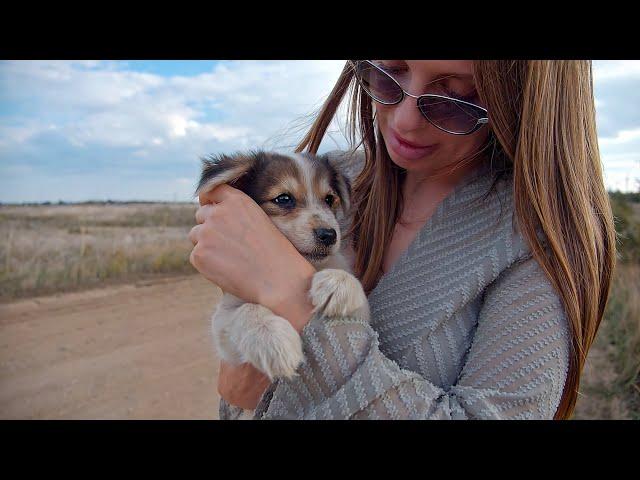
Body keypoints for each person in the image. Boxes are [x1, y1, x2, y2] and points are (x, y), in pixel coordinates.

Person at [188, 60, 617, 419]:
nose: (406, 120)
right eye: (388, 73)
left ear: (520, 101)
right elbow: (238, 389)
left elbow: (262, 382)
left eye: (455, 98)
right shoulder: (339, 179)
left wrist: (296, 310)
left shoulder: (533, 243)